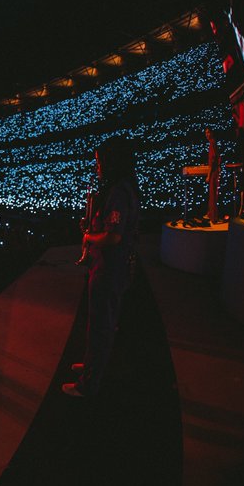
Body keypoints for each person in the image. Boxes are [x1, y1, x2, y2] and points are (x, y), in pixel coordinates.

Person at [63, 136, 140, 399]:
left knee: (101, 324)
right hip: (108, 267)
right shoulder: (121, 188)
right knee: (98, 321)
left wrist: (88, 237)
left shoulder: (118, 192)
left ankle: (89, 383)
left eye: (99, 161)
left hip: (110, 268)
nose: (97, 167)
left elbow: (113, 236)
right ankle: (92, 364)